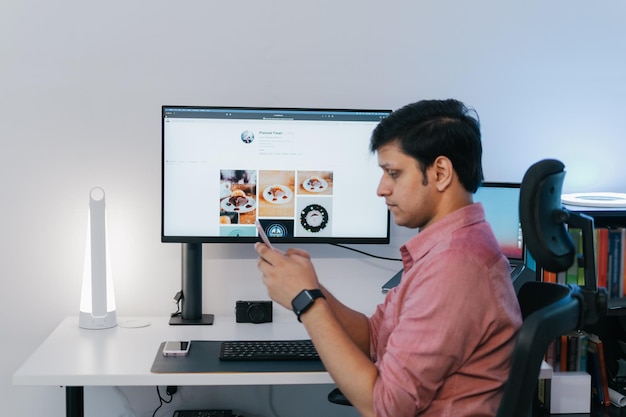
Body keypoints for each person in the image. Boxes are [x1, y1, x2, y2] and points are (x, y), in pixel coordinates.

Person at [255, 99, 522, 417]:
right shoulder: (447, 248)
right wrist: (312, 287)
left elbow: (384, 407)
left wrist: (305, 301)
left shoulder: (455, 267)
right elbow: (374, 337)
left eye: (393, 173)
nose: (382, 189)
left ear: (440, 173)